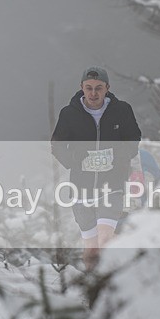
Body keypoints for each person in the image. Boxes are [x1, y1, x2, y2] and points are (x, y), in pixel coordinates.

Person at [51, 66, 141, 270]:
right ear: (81, 87)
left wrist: (118, 156)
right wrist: (75, 159)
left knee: (105, 238)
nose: (93, 93)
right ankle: (94, 284)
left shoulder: (122, 110)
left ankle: (111, 280)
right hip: (81, 188)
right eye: (89, 88)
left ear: (107, 88)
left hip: (113, 185)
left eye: (98, 88)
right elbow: (56, 146)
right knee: (91, 248)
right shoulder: (69, 113)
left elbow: (133, 139)